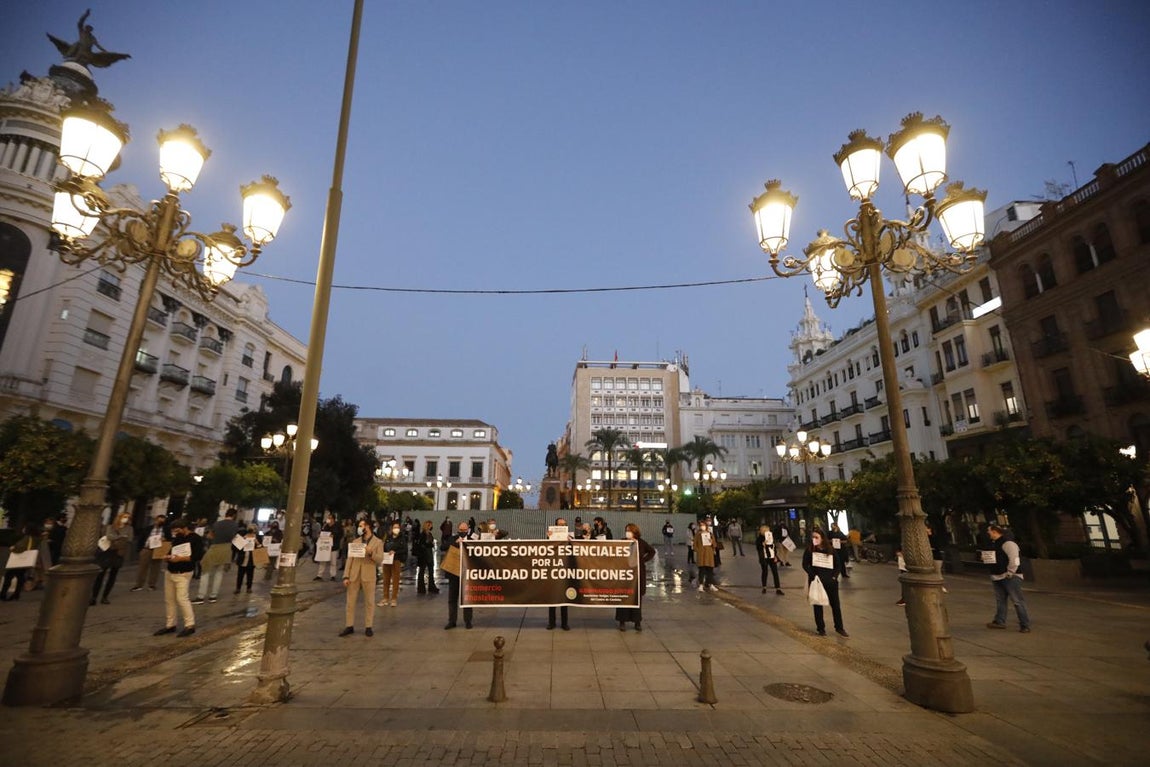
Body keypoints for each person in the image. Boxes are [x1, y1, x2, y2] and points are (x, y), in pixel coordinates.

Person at [153, 519, 204, 638]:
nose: (175, 533)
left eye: (177, 530)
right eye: (174, 531)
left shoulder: (195, 538)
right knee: (169, 599)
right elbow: (172, 551)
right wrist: (167, 557)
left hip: (184, 572)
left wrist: (180, 559)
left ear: (184, 527)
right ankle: (171, 624)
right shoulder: (177, 538)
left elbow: (197, 556)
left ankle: (190, 625)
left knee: (182, 598)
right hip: (171, 571)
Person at [340, 520, 383, 637]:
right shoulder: (355, 541)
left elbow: (380, 560)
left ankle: (368, 626)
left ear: (368, 527)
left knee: (369, 601)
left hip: (369, 575)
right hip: (354, 575)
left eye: (361, 526)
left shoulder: (378, 542)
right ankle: (349, 625)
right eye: (359, 526)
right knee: (350, 602)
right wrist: (346, 575)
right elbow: (350, 559)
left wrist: (371, 553)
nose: (359, 528)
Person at [986, 524, 1031, 633]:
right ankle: (999, 620)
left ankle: (1024, 624)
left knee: (1017, 601)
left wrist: (1011, 572)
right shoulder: (994, 544)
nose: (987, 532)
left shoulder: (1008, 543)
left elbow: (1015, 559)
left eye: (989, 531)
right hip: (998, 576)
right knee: (1001, 600)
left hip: (1009, 576)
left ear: (994, 531)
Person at [803, 529, 848, 637]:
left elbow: (838, 565)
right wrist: (813, 575)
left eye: (816, 537)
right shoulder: (810, 550)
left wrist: (834, 577)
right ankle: (821, 628)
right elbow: (805, 564)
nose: (814, 539)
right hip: (817, 581)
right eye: (813, 537)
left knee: (835, 605)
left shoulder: (830, 549)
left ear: (822, 538)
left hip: (830, 581)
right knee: (818, 605)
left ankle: (839, 627)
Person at [193, 508, 239, 604]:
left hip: (215, 547)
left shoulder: (217, 524)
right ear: (234, 515)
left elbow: (210, 536)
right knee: (219, 573)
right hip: (226, 549)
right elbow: (234, 538)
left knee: (205, 572)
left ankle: (201, 596)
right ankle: (213, 596)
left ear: (226, 514)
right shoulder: (235, 525)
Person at [615, 523, 656, 631]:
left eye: (629, 530)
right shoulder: (623, 541)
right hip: (624, 575)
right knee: (623, 597)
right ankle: (622, 621)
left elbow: (652, 551)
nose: (627, 532)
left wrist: (643, 560)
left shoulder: (641, 543)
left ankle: (637, 622)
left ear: (635, 532)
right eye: (626, 530)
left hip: (637, 575)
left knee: (636, 599)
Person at [91, 510, 134, 605]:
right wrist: (121, 537)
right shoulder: (111, 527)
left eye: (128, 517)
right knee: (100, 575)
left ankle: (105, 597)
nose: (126, 519)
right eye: (125, 517)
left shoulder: (129, 528)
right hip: (107, 552)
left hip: (119, 553)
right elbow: (109, 536)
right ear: (120, 517)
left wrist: (118, 537)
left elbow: (129, 539)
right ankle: (94, 597)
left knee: (113, 576)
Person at [443, 521, 474, 630]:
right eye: (461, 530)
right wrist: (455, 542)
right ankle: (452, 621)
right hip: (453, 573)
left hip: (466, 573)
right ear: (458, 529)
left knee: (467, 598)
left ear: (468, 529)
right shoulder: (453, 538)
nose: (463, 532)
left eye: (464, 530)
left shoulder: (472, 540)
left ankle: (468, 621)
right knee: (452, 598)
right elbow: (443, 546)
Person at [131, 515, 169, 592]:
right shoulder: (148, 529)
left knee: (155, 568)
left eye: (162, 521)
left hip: (158, 550)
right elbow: (141, 539)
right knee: (142, 567)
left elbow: (170, 539)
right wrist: (140, 550)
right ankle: (139, 584)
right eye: (159, 520)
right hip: (147, 549)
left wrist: (164, 540)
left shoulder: (166, 530)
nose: (160, 522)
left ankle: (152, 584)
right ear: (155, 520)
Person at [0, 523, 38, 601]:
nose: (23, 529)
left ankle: (3, 594)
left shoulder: (26, 538)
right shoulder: (35, 538)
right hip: (24, 561)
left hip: (18, 561)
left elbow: (20, 548)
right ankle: (16, 594)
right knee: (20, 577)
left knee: (8, 577)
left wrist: (13, 548)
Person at [548, 517, 572, 630]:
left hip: (565, 570)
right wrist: (549, 537)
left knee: (564, 597)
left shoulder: (570, 536)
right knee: (552, 597)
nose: (562, 526)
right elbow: (543, 549)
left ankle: (564, 623)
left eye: (564, 524)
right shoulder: (550, 535)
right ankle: (551, 623)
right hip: (553, 570)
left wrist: (570, 541)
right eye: (560, 525)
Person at [377, 520, 407, 608]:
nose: (396, 529)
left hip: (396, 560)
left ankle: (394, 598)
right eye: (394, 527)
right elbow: (384, 547)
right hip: (387, 560)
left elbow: (404, 550)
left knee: (395, 580)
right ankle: (385, 598)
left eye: (397, 527)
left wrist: (395, 552)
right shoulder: (388, 538)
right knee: (386, 579)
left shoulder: (402, 538)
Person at [756, 524, 784, 596]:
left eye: (768, 531)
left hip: (771, 557)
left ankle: (778, 588)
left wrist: (775, 556)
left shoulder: (770, 538)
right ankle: (764, 587)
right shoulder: (759, 539)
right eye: (765, 531)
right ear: (762, 531)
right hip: (764, 557)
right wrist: (763, 544)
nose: (767, 532)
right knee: (765, 572)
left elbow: (773, 547)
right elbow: (758, 548)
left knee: (775, 572)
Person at [232, 525, 262, 595]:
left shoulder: (258, 537)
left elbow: (261, 548)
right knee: (240, 575)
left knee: (250, 574)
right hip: (242, 558)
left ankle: (249, 588)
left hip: (252, 559)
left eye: (253, 530)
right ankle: (238, 588)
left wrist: (256, 542)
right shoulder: (242, 535)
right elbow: (234, 548)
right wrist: (243, 540)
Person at [413, 519, 440, 595]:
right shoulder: (422, 535)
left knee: (431, 571)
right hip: (423, 555)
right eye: (430, 525)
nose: (431, 526)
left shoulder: (430, 534)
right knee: (422, 571)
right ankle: (421, 588)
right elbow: (422, 544)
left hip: (429, 554)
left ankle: (431, 586)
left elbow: (431, 543)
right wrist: (429, 544)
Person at [314, 513, 342, 581]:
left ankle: (333, 575)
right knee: (322, 561)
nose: (328, 519)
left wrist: (333, 536)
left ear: (333, 519)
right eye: (328, 518)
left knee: (333, 562)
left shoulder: (337, 526)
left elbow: (340, 534)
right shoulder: (325, 526)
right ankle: (319, 575)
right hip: (325, 547)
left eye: (330, 518)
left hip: (333, 547)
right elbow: (322, 533)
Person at [693, 519, 718, 592]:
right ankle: (701, 585)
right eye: (701, 525)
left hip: (709, 555)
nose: (702, 527)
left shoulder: (710, 534)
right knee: (702, 570)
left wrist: (712, 541)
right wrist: (698, 550)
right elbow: (695, 545)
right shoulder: (698, 534)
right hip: (701, 555)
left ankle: (711, 584)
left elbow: (715, 544)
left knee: (710, 570)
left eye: (703, 525)